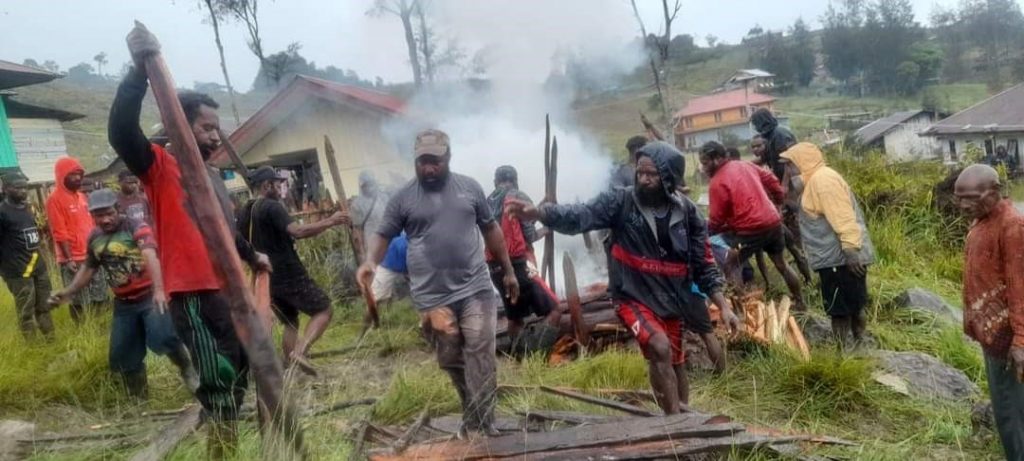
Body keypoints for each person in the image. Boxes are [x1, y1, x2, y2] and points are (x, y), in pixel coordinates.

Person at [108, 22, 270, 458]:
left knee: (237, 376)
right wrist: (136, 74)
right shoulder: (159, 165)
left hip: (229, 291)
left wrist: (254, 256)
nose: (215, 136)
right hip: (193, 295)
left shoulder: (215, 179)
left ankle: (228, 447)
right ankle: (222, 451)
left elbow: (227, 233)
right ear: (181, 126)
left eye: (217, 129)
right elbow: (121, 134)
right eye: (205, 127)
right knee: (217, 382)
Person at [507, 141, 740, 414]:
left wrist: (723, 306)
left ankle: (681, 416)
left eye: (651, 174)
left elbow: (704, 265)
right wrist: (540, 213)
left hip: (673, 298)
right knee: (660, 346)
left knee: (674, 360)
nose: (643, 179)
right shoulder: (620, 201)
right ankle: (674, 422)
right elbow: (581, 215)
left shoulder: (689, 214)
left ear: (669, 178)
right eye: (640, 172)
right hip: (632, 295)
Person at [356, 129, 519, 437]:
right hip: (432, 297)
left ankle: (485, 422)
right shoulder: (403, 198)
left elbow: (491, 229)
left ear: (448, 157)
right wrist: (369, 263)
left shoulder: (469, 188)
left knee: (480, 350)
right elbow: (383, 235)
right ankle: (471, 408)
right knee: (449, 358)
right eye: (422, 162)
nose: (428, 168)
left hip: (475, 288)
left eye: (435, 161)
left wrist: (508, 270)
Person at [48, 189, 198, 399]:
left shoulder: (136, 226)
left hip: (149, 297)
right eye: (99, 215)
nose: (105, 219)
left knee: (163, 338)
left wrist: (159, 290)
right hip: (124, 304)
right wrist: (69, 291)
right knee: (123, 355)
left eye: (109, 213)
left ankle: (187, 368)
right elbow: (89, 268)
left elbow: (150, 256)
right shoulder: (95, 237)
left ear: (118, 209)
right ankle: (138, 399)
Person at [237, 166, 349, 373]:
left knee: (290, 320)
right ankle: (299, 352)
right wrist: (331, 221)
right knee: (324, 309)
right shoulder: (272, 207)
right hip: (289, 273)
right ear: (266, 185)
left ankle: (289, 370)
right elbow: (298, 231)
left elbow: (240, 243)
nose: (280, 188)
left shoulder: (246, 211)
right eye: (278, 184)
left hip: (266, 278)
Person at [954, 164, 1024, 459]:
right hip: (993, 334)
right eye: (960, 198)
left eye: (971, 198)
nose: (963, 205)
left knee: (1010, 411)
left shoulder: (1012, 226)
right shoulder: (984, 219)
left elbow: (1020, 286)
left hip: (1008, 338)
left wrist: (1020, 341)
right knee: (1010, 407)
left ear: (994, 192)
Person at [780, 143, 874, 348]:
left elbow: (843, 218)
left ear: (802, 162)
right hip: (834, 258)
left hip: (840, 259)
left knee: (840, 309)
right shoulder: (816, 181)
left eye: (789, 164)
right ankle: (857, 347)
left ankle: (848, 351)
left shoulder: (823, 181)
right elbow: (818, 212)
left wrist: (850, 251)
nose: (787, 170)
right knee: (850, 304)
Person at [699, 141, 804, 310]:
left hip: (750, 230)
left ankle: (742, 312)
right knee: (781, 264)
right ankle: (800, 302)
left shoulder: (717, 182)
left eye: (705, 163)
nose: (703, 168)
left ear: (717, 159)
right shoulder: (745, 165)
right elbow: (771, 180)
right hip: (773, 222)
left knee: (731, 265)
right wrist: (777, 203)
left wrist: (719, 228)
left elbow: (716, 220)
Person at [486, 166, 560, 352]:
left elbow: (516, 225)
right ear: (515, 179)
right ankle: (535, 355)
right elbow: (529, 236)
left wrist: (541, 205)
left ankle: (520, 357)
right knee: (555, 310)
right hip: (519, 265)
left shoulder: (487, 201)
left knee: (515, 318)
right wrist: (549, 228)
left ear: (496, 181)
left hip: (495, 267)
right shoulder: (517, 196)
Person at [46, 157, 110, 323]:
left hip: (92, 254)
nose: (78, 178)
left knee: (99, 294)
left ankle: (100, 328)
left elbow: (92, 225)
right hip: (73, 258)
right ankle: (82, 331)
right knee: (78, 298)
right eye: (72, 174)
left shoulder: (82, 197)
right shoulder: (54, 199)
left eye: (79, 174)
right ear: (61, 176)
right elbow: (59, 232)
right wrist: (68, 259)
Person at [0, 173, 54, 340]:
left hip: (38, 267)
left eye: (25, 187)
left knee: (45, 306)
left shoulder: (29, 208)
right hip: (18, 272)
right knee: (26, 311)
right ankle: (33, 346)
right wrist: (5, 271)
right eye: (18, 188)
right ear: (6, 189)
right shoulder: (2, 212)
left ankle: (51, 339)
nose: (23, 191)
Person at [351, 170, 389, 263]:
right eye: (366, 185)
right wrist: (362, 253)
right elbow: (357, 231)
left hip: (389, 240)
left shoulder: (384, 198)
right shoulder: (357, 204)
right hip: (372, 244)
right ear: (361, 186)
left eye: (370, 183)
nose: (369, 187)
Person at [750, 108, 796, 181]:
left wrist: (785, 184)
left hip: (792, 178)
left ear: (761, 122)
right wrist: (744, 164)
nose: (755, 128)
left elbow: (788, 161)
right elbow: (764, 158)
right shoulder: (769, 136)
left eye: (756, 124)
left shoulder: (779, 135)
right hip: (780, 177)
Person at [371, 232, 409, 306]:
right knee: (375, 298)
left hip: (410, 262)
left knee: (424, 298)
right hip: (388, 264)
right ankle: (370, 316)